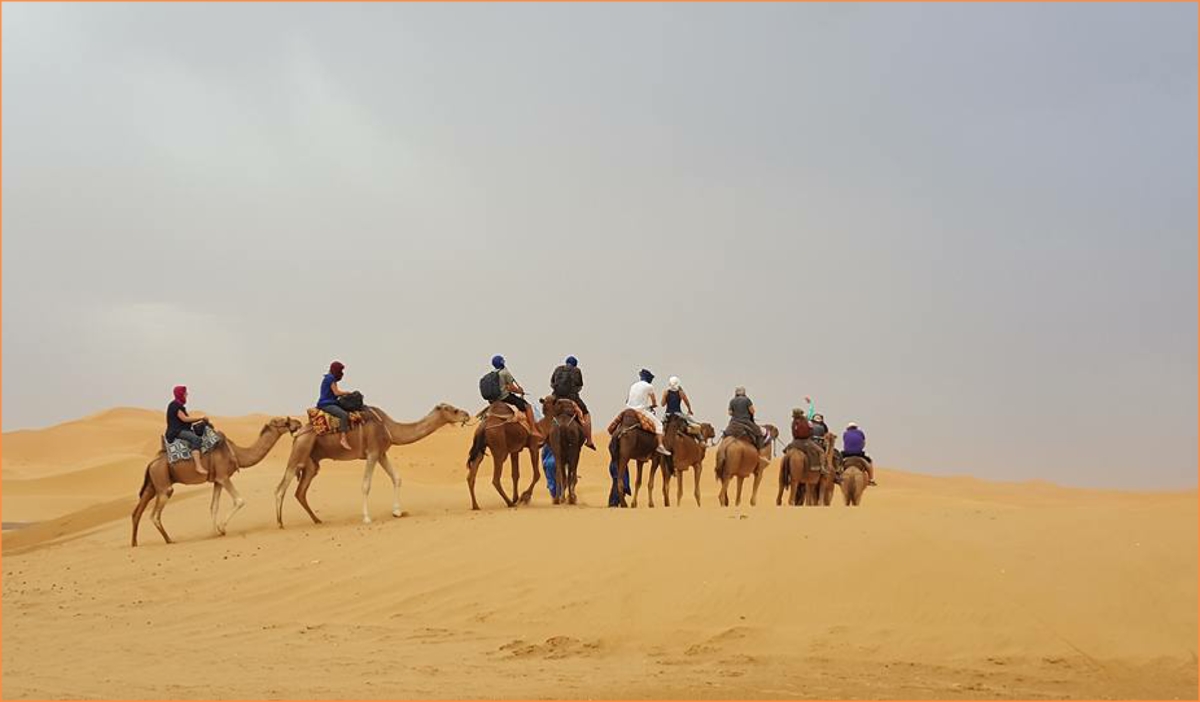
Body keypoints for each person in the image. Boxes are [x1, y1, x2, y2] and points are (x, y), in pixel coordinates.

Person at [493, 355, 543, 441]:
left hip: (495, 399)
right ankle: (533, 429)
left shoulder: (493, 373)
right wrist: (520, 391)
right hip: (505, 397)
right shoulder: (505, 372)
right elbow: (511, 387)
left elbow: (505, 387)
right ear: (502, 362)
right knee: (528, 406)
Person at [550, 355, 595, 450]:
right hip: (573, 397)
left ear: (566, 363)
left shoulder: (558, 369)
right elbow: (579, 386)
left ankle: (542, 435)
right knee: (586, 414)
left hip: (556, 396)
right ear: (575, 365)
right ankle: (589, 440)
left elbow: (552, 383)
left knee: (548, 411)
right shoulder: (577, 371)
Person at [165, 385, 210, 476]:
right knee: (196, 439)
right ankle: (198, 466)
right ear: (181, 394)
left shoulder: (179, 405)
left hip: (182, 429)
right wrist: (200, 418)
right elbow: (184, 419)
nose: (187, 395)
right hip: (176, 432)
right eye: (185, 393)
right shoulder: (175, 405)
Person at [626, 369, 671, 455]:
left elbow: (627, 399)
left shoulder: (633, 385)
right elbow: (653, 401)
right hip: (640, 410)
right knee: (659, 425)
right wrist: (654, 405)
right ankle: (660, 446)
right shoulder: (649, 387)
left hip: (628, 409)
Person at [317, 361, 355, 451]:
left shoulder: (329, 378)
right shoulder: (330, 378)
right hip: (326, 404)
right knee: (344, 415)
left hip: (331, 402)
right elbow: (336, 392)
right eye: (340, 370)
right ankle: (343, 438)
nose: (342, 373)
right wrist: (348, 393)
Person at [842, 421, 876, 485]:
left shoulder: (845, 433)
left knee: (839, 462)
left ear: (848, 428)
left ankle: (837, 476)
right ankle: (871, 479)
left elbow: (845, 443)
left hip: (847, 453)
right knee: (869, 462)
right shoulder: (860, 433)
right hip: (859, 453)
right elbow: (863, 443)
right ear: (856, 428)